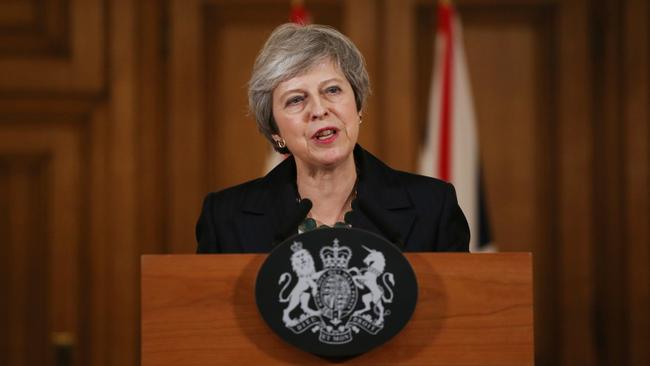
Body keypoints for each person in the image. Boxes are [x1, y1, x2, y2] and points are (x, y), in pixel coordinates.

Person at [196, 23, 469, 253]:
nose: (318, 109)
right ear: (275, 130)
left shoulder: (432, 207)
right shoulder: (225, 218)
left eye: (333, 90)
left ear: (358, 106)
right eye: (295, 100)